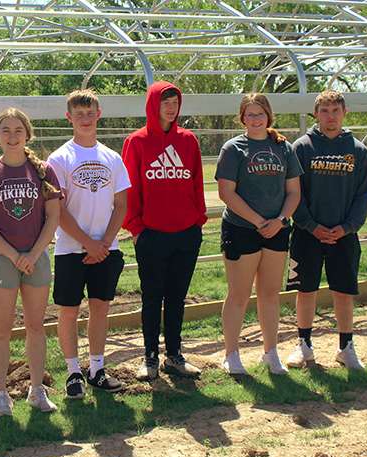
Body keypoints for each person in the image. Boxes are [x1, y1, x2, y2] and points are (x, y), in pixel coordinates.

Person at [0, 108, 62, 415]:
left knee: (36, 326)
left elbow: (53, 217)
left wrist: (33, 254)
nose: (12, 137)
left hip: (37, 258)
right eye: (5, 131)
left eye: (18, 131)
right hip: (3, 260)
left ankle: (37, 389)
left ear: (28, 135)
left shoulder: (44, 171)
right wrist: (14, 256)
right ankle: (0, 393)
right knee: (1, 328)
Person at [123, 81, 207, 381]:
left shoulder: (188, 140)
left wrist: (198, 220)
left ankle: (174, 355)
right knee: (152, 297)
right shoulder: (137, 142)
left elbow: (197, 182)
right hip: (151, 234)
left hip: (186, 233)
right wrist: (136, 229)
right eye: (165, 101)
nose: (171, 107)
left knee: (176, 297)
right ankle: (149, 357)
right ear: (153, 103)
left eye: (175, 101)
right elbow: (130, 188)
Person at [48, 89, 130, 398]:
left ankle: (97, 369)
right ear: (69, 118)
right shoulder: (59, 159)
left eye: (90, 112)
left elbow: (120, 204)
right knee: (69, 311)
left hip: (106, 249)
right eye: (78, 113)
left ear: (99, 114)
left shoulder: (112, 157)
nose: (85, 118)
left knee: (100, 309)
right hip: (71, 249)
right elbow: (58, 209)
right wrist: (87, 243)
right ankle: (73, 372)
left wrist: (105, 242)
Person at [284, 90, 367, 370]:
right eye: (324, 111)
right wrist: (311, 225)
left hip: (343, 236)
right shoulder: (302, 148)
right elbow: (294, 193)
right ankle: (304, 345)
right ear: (315, 114)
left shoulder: (358, 151)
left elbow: (362, 196)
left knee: (343, 291)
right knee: (305, 290)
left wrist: (346, 227)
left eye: (335, 110)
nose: (330, 116)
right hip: (307, 234)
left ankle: (346, 347)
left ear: (344, 112)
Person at [215, 93, 302, 375]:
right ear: (242, 118)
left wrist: (279, 220)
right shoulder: (233, 148)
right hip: (242, 229)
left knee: (270, 294)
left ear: (268, 116)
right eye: (250, 114)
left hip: (276, 230)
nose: (255, 119)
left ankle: (270, 352)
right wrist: (257, 221)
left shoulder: (284, 148)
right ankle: (232, 354)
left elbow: (294, 192)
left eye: (260, 113)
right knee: (238, 294)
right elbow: (226, 192)